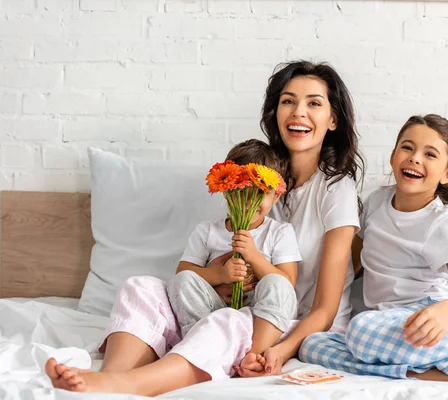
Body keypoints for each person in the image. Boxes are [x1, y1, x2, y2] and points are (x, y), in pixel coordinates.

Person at [44, 60, 364, 395]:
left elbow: (325, 309)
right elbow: (195, 272)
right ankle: (111, 374)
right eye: (288, 101)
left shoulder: (335, 189)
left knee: (224, 323)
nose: (299, 112)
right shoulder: (256, 177)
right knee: (141, 287)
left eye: (314, 103)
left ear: (333, 120)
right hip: (230, 305)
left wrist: (276, 353)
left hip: (284, 323)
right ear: (276, 112)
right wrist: (215, 275)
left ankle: (128, 385)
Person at [300, 114, 448, 384]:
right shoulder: (375, 202)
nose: (415, 158)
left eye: (430, 154)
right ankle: (434, 374)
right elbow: (353, 261)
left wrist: (443, 313)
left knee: (359, 331)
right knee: (312, 345)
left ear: (447, 174)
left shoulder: (442, 221)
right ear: (392, 157)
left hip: (430, 316)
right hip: (385, 325)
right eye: (407, 147)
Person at [166, 139, 302, 372]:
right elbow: (184, 272)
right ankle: (204, 344)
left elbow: (287, 281)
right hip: (215, 311)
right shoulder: (207, 231)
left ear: (276, 196)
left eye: (260, 194)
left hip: (259, 318)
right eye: (240, 193)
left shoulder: (279, 232)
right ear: (225, 191)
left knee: (278, 285)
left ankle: (252, 354)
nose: (249, 202)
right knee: (182, 282)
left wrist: (254, 256)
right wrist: (219, 275)